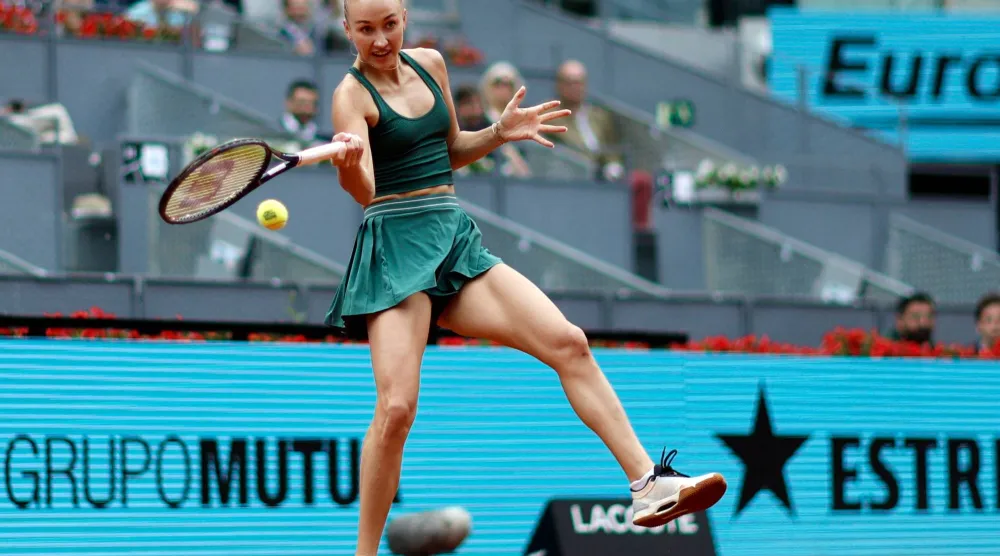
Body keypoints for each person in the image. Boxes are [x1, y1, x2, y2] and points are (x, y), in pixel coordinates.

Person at [323, 1, 727, 554]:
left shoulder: (430, 65)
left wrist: (498, 132)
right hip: (395, 247)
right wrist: (350, 167)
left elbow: (448, 152)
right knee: (396, 410)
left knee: (569, 343)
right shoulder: (350, 97)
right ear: (346, 28)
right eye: (365, 29)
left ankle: (647, 484)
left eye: (389, 25)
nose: (379, 41)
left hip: (451, 239)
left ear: (405, 17)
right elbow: (367, 191)